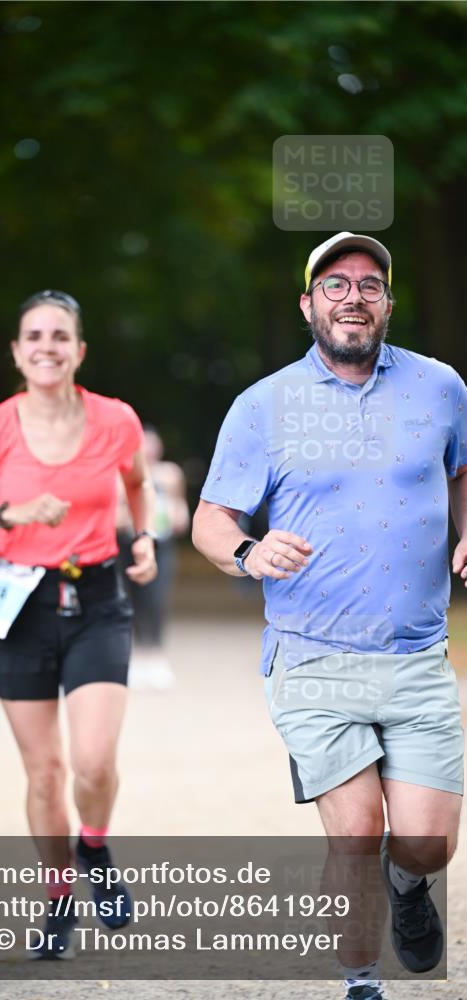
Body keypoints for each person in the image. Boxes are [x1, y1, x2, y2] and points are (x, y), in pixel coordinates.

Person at [193, 232, 466, 1000]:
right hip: (311, 655)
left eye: (369, 284)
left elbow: (461, 468)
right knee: (354, 835)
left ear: (386, 302)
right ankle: (359, 984)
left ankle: (409, 891)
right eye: (335, 284)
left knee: (425, 846)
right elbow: (209, 520)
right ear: (308, 303)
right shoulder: (263, 405)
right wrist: (248, 551)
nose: (353, 296)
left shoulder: (440, 387)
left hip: (416, 657)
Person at [0, 289, 157, 959]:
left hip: (96, 602)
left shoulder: (115, 420)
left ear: (78, 350)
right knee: (44, 773)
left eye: (60, 336)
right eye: (34, 336)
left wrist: (141, 538)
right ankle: (58, 900)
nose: (47, 346)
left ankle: (93, 846)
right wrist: (10, 515)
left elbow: (137, 483)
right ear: (17, 352)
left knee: (91, 762)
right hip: (16, 607)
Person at [117, 426, 189, 689]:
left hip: (162, 545)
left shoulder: (170, 474)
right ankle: (136, 657)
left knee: (157, 601)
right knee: (131, 601)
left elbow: (180, 507)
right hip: (129, 546)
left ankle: (156, 656)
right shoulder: (121, 475)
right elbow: (114, 514)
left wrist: (177, 516)